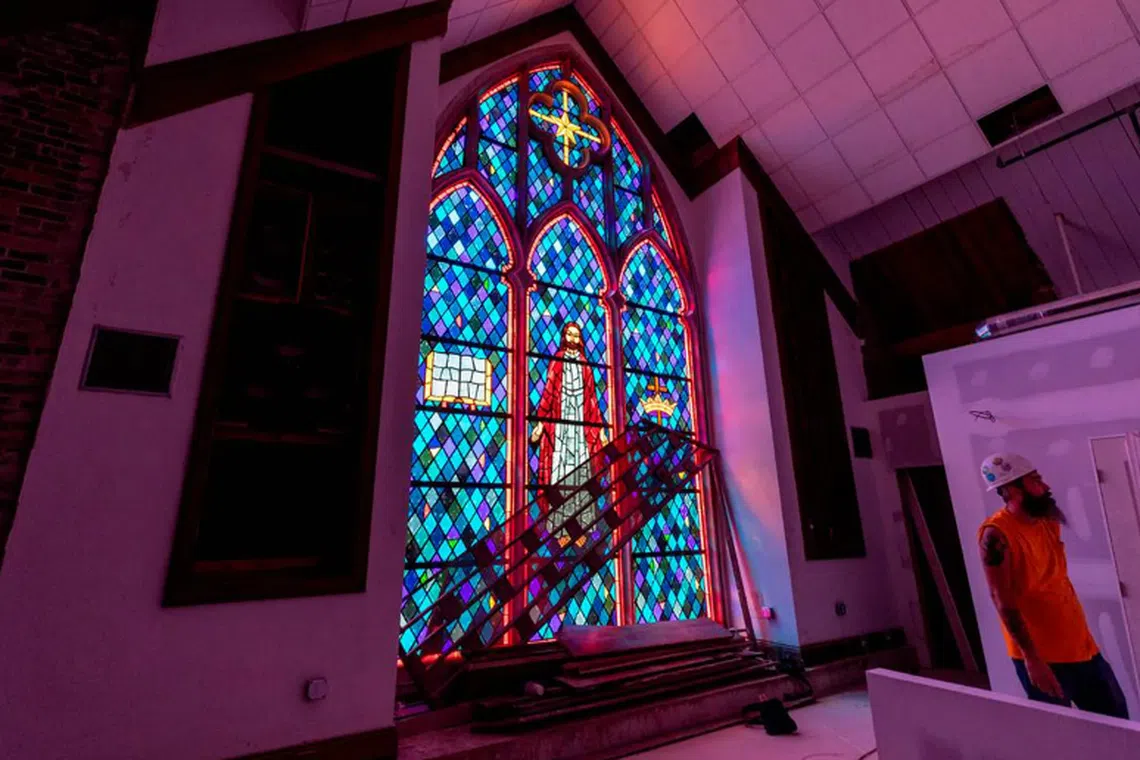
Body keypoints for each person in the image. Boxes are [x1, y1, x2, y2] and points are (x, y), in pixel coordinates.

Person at [977, 453, 1129, 719]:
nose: (1045, 486)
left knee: (1118, 728)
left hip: (1083, 649)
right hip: (1043, 659)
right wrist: (1031, 659)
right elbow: (1003, 601)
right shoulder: (996, 534)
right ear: (1014, 489)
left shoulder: (1047, 522)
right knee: (1061, 737)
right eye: (1035, 480)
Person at [531, 322, 607, 544]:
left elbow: (592, 400)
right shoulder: (556, 362)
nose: (573, 339)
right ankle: (560, 527)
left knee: (582, 473)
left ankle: (582, 526)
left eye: (576, 336)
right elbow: (548, 392)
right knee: (560, 472)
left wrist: (600, 430)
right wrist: (540, 423)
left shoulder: (585, 366)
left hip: (581, 427)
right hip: (561, 426)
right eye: (569, 335)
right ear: (564, 337)